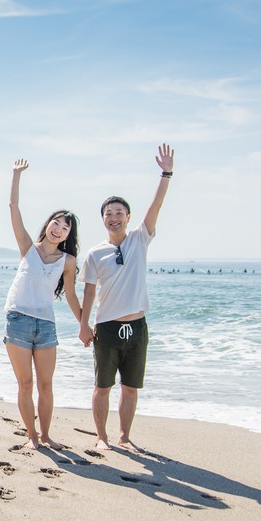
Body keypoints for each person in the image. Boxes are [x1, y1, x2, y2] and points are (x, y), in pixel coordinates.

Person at [78, 143, 175, 453]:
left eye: (119, 213)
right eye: (109, 214)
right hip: (106, 328)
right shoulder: (95, 253)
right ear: (103, 220)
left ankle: (124, 436)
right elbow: (89, 291)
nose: (114, 217)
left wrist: (166, 174)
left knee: (131, 388)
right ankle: (102, 437)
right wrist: (84, 325)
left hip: (137, 328)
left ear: (128, 217)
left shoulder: (139, 238)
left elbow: (156, 206)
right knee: (102, 387)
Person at [3, 159, 83, 451]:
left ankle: (46, 436)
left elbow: (71, 296)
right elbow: (13, 207)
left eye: (65, 227)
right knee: (25, 384)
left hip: (46, 325)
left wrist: (85, 325)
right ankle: (32, 437)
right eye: (56, 223)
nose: (58, 229)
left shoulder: (68, 261)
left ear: (68, 235)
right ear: (48, 224)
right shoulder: (27, 247)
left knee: (46, 386)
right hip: (18, 321)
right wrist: (16, 175)